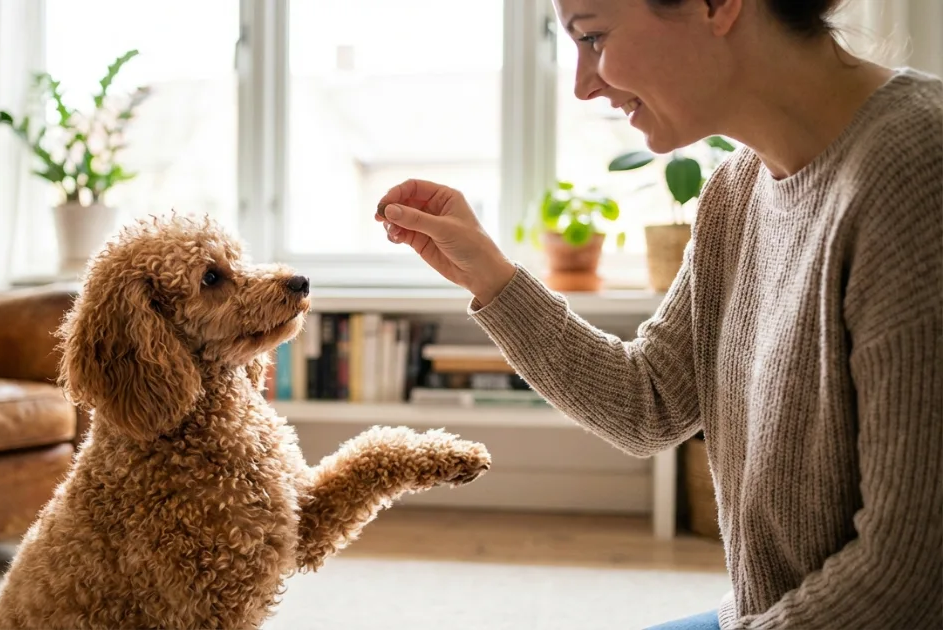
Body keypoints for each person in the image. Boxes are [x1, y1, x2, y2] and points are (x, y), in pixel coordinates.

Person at [374, 0, 941, 628]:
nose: (583, 86)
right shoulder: (734, 192)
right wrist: (490, 275)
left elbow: (907, 575)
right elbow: (649, 405)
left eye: (593, 37)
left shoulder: (918, 168)